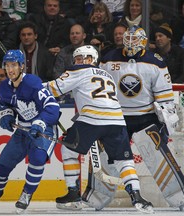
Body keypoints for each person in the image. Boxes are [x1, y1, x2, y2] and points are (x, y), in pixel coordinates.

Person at [46, 45, 153, 213]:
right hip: (116, 120)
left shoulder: (77, 71)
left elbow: (52, 89)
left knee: (68, 150)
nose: (79, 61)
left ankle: (73, 193)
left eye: (83, 58)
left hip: (92, 119)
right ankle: (136, 195)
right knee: (123, 160)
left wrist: (28, 86)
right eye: (78, 58)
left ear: (92, 59)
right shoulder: (106, 75)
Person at [99, 25, 184, 208]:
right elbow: (102, 89)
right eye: (128, 38)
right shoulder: (109, 58)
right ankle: (97, 195)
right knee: (109, 155)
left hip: (146, 117)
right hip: (118, 117)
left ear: (143, 41)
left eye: (135, 39)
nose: (130, 42)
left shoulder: (156, 62)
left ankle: (178, 195)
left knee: (157, 156)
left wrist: (166, 116)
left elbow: (165, 95)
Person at [0, 50, 60, 213]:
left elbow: (52, 106)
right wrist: (6, 115)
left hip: (43, 129)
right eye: (7, 65)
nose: (10, 69)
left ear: (22, 66)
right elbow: (5, 105)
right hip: (22, 130)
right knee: (2, 165)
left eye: (14, 65)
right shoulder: (4, 87)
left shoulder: (33, 83)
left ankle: (26, 194)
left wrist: (39, 123)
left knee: (38, 159)